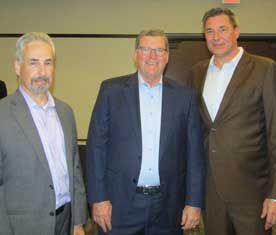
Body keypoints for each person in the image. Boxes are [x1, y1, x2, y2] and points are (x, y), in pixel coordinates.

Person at [86, 29, 205, 235]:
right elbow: (96, 148)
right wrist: (98, 198)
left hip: (168, 207)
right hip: (118, 205)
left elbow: (194, 154)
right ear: (136, 54)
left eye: (159, 50)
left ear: (167, 57)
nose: (152, 56)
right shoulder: (111, 91)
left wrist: (193, 202)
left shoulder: (185, 97)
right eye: (146, 49)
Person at [187, 7, 276, 235]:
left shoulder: (265, 69)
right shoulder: (196, 73)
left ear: (236, 31)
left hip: (252, 191)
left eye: (222, 29)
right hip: (211, 190)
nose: (216, 37)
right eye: (209, 31)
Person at [0, 32, 87, 235]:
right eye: (33, 63)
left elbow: (74, 170)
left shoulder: (65, 112)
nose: (42, 71)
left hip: (66, 221)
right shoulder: (3, 114)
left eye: (48, 63)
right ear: (16, 67)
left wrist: (78, 221)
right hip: (21, 227)